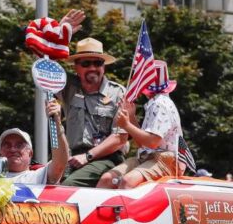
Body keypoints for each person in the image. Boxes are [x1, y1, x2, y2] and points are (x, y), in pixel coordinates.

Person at [56, 37, 129, 187]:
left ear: (104, 66)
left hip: (106, 158)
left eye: (98, 63)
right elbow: (43, 66)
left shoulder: (118, 93)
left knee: (68, 186)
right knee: (47, 182)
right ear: (76, 67)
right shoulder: (68, 86)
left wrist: (88, 156)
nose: (92, 68)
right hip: (73, 157)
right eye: (86, 63)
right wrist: (61, 33)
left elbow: (120, 138)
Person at [98, 60, 182, 189]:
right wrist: (131, 117)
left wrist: (126, 125)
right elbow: (143, 143)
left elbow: (152, 142)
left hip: (165, 161)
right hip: (147, 157)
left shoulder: (160, 104)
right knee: (107, 179)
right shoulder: (154, 103)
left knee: (127, 182)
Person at [0, 103, 69, 184]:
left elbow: (60, 163)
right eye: (7, 145)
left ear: (30, 153)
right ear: (0, 152)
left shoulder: (38, 176)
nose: (13, 149)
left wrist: (56, 123)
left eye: (19, 145)